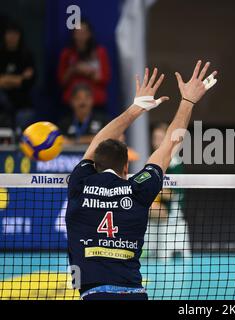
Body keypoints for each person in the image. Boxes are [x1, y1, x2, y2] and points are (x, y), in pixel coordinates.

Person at [66, 61, 218, 300]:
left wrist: (136, 109)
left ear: (94, 164)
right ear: (127, 167)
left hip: (93, 294)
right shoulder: (138, 189)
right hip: (135, 294)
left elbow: (95, 143)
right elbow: (168, 146)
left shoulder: (80, 184)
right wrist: (188, 102)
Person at [145, 122, 191, 259]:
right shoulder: (154, 159)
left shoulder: (174, 163)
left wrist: (151, 191)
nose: (156, 142)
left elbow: (173, 194)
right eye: (154, 138)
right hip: (157, 204)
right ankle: (147, 248)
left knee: (144, 206)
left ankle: (146, 249)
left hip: (172, 209)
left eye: (160, 138)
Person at [58, 19, 111, 111]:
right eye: (77, 33)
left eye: (83, 32)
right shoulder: (67, 54)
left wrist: (89, 71)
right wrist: (73, 70)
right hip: (71, 104)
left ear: (89, 34)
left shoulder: (100, 52)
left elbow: (105, 78)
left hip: (96, 103)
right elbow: (61, 81)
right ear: (73, 35)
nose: (80, 36)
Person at [0, 20, 35, 131]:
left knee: (26, 117)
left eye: (15, 34)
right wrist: (19, 78)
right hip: (2, 105)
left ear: (20, 36)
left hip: (22, 104)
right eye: (9, 34)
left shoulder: (26, 55)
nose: (12, 37)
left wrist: (5, 79)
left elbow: (28, 82)